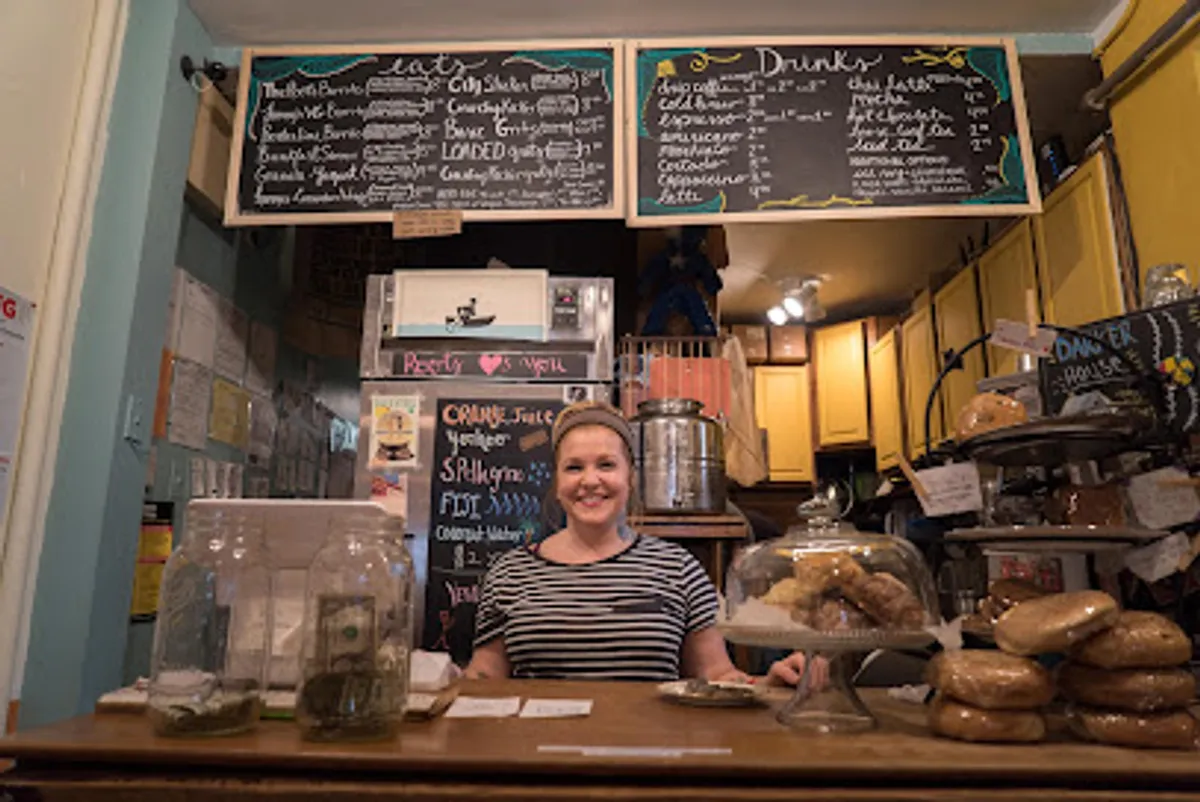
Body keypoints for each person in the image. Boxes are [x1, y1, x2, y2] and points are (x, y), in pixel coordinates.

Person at [465, 401, 823, 687]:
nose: (590, 480)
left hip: (652, 762)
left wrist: (770, 682)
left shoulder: (678, 568)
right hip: (537, 762)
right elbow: (485, 678)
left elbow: (717, 677)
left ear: (631, 477)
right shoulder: (510, 573)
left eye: (606, 464)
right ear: (557, 483)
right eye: (574, 468)